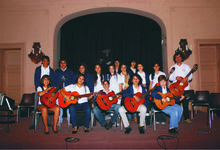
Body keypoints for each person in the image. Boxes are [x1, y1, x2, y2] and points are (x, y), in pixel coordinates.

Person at [29, 55, 55, 130]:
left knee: (48, 105)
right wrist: (39, 89)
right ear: (42, 61)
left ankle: (48, 122)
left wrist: (49, 89)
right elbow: (36, 80)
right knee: (36, 107)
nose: (45, 62)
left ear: (49, 62)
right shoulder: (38, 69)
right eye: (44, 61)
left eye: (47, 61)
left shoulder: (51, 70)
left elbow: (52, 81)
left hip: (48, 90)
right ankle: (33, 123)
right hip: (40, 89)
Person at [169, 52, 193, 124]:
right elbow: (170, 77)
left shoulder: (186, 67)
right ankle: (176, 118)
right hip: (176, 89)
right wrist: (175, 77)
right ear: (175, 58)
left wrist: (187, 79)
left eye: (179, 57)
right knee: (177, 104)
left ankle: (186, 118)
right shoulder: (172, 67)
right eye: (176, 57)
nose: (178, 58)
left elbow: (191, 76)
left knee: (185, 103)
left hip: (185, 88)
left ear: (181, 58)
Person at [54, 59, 76, 126]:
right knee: (59, 105)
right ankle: (59, 120)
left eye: (64, 63)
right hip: (59, 91)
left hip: (68, 92)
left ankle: (69, 121)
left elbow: (73, 81)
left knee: (69, 106)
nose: (63, 64)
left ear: (66, 64)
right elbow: (54, 81)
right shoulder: (57, 71)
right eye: (61, 63)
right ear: (59, 64)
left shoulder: (70, 71)